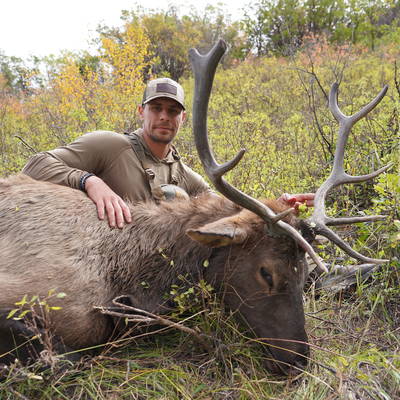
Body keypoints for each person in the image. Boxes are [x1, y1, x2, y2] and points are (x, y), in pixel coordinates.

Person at [23, 77, 314, 228]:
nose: (164, 116)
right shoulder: (109, 145)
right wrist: (90, 182)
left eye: (173, 111)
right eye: (156, 108)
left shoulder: (182, 173)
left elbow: (228, 209)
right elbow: (36, 165)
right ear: (141, 111)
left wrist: (276, 207)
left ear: (182, 118)